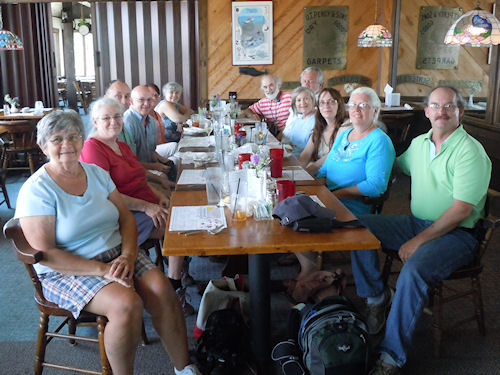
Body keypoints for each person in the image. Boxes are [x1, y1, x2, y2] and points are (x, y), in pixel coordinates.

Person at [15, 109, 201, 375]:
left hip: (115, 253)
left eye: (72, 137)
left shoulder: (96, 174)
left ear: (82, 140)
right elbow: (47, 254)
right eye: (57, 139)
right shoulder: (37, 190)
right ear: (43, 146)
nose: (66, 145)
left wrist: (126, 256)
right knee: (127, 304)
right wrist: (104, 271)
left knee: (162, 288)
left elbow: (125, 219)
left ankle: (184, 368)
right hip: (67, 269)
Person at [353, 86, 491, 375]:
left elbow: (461, 211)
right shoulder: (419, 144)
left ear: (460, 112)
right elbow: (394, 166)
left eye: (449, 106)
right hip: (418, 224)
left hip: (458, 235)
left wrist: (418, 241)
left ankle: (390, 358)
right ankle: (378, 298)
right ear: (426, 111)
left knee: (413, 269)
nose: (442, 112)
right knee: (357, 228)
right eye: (436, 106)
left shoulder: (470, 151)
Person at [80, 98, 194, 315]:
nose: (113, 122)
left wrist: (157, 195)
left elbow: (139, 179)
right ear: (95, 121)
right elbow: (105, 195)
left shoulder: (121, 145)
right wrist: (147, 207)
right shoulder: (92, 148)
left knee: (181, 205)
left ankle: (179, 268)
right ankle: (175, 285)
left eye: (117, 117)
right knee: (178, 224)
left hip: (142, 203)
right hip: (119, 215)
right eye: (106, 118)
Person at [294, 87, 395, 280]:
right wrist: (304, 186)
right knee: (287, 205)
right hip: (329, 198)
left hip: (352, 207)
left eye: (364, 105)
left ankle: (312, 273)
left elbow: (376, 185)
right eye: (353, 105)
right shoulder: (343, 136)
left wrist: (337, 194)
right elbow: (324, 170)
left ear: (375, 110)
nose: (356, 110)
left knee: (299, 217)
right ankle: (310, 267)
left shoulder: (379, 141)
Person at [298, 88, 350, 175]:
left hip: (335, 176)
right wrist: (296, 170)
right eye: (322, 102)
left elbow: (332, 155)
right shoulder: (320, 127)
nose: (326, 105)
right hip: (318, 174)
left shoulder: (346, 126)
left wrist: (308, 171)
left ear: (339, 104)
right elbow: (306, 154)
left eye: (331, 101)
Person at [155, 82, 193, 159]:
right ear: (165, 94)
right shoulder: (165, 104)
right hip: (165, 144)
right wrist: (180, 120)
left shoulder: (174, 104)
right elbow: (180, 118)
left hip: (175, 141)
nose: (174, 95)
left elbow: (191, 111)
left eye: (177, 93)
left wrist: (181, 120)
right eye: (171, 92)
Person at [282, 87, 317, 158]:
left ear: (313, 100)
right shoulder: (297, 121)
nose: (302, 103)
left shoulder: (317, 120)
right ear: (295, 104)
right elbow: (289, 144)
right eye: (298, 100)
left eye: (306, 99)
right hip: (291, 157)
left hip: (305, 161)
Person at [104, 80, 136, 152]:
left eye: (127, 96)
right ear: (106, 98)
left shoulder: (121, 122)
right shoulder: (104, 127)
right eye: (118, 96)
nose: (124, 102)